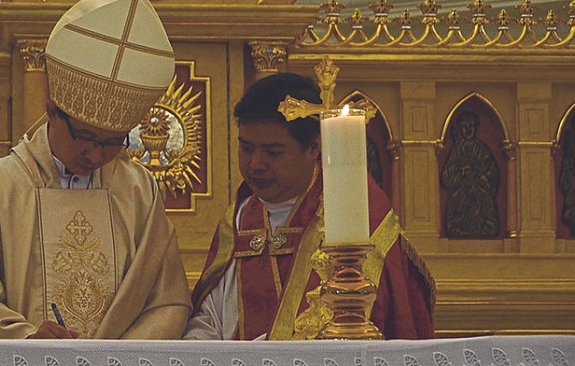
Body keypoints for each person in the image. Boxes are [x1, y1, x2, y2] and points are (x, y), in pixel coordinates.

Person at [0, 0, 191, 340]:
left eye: (112, 143)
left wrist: (114, 363)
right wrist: (27, 340)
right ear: (52, 112)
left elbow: (168, 302)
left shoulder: (138, 190)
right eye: (86, 138)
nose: (96, 154)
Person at [184, 72, 435, 341]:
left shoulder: (360, 212)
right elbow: (210, 315)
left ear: (314, 147)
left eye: (273, 152)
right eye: (246, 149)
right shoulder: (240, 216)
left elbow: (382, 312)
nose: (255, 164)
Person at [441, 111, 501, 238]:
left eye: (471, 126)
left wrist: (480, 176)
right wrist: (461, 173)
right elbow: (446, 177)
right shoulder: (457, 150)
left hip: (479, 192)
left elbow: (493, 172)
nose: (468, 130)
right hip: (462, 193)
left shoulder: (482, 149)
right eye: (464, 126)